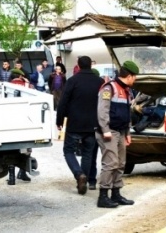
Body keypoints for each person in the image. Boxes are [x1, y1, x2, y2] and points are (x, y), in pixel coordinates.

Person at [56, 56, 104, 195]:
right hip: (92, 123)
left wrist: (59, 120)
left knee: (68, 151)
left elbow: (63, 101)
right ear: (91, 65)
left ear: (78, 65)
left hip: (74, 123)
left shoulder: (72, 81)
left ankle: (79, 175)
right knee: (88, 153)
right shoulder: (99, 82)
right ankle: (85, 177)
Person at [95, 60, 139, 208]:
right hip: (109, 131)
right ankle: (103, 196)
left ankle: (116, 193)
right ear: (129, 76)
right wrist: (105, 130)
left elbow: (126, 113)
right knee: (110, 163)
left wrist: (127, 132)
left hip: (120, 131)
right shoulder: (109, 88)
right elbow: (103, 111)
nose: (136, 79)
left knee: (121, 163)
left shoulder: (126, 90)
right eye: (135, 76)